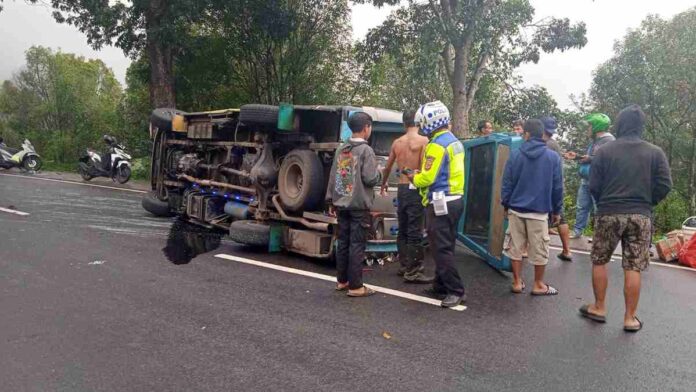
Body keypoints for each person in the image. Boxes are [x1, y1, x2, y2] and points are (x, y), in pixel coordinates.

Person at [580, 105, 671, 332]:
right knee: (633, 266)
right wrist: (647, 203)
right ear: (641, 127)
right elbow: (664, 185)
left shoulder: (605, 151)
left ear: (619, 125)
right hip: (640, 215)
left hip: (609, 211)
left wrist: (604, 202)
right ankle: (630, 318)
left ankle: (599, 308)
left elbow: (593, 185)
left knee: (600, 260)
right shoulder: (655, 152)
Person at [406, 101, 466, 308]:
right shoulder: (454, 141)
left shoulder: (436, 146)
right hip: (455, 199)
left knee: (440, 249)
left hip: (442, 202)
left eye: (422, 123)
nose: (421, 127)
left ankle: (455, 290)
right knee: (446, 245)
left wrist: (413, 176)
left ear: (430, 123)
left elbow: (427, 179)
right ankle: (440, 285)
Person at [501, 119, 563, 296]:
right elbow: (558, 187)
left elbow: (507, 183)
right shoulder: (553, 158)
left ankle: (517, 282)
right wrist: (557, 211)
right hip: (539, 211)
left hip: (516, 210)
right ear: (542, 135)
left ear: (526, 134)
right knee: (540, 249)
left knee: (515, 247)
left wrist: (505, 204)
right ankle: (538, 284)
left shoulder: (515, 155)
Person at [326, 112, 383, 298]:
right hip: (359, 206)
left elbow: (334, 176)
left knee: (343, 243)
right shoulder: (366, 151)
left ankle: (342, 281)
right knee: (357, 245)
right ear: (366, 127)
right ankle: (356, 286)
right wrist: (380, 174)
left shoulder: (342, 149)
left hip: (341, 204)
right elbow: (369, 178)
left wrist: (330, 200)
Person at [380, 110, 431, 283]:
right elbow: (426, 168)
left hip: (402, 187)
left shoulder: (397, 142)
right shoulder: (424, 141)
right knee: (415, 229)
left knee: (402, 228)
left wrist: (383, 183)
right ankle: (414, 270)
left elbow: (387, 167)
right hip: (415, 187)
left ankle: (404, 265)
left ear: (404, 123)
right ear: (418, 122)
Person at [564, 114, 615, 239]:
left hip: (599, 181)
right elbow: (591, 157)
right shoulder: (595, 141)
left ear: (597, 126)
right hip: (586, 179)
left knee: (599, 209)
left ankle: (600, 234)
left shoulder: (610, 141)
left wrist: (589, 159)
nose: (589, 129)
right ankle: (577, 231)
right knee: (582, 207)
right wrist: (577, 157)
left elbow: (608, 160)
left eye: (590, 126)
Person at [540, 116, 573, 262]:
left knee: (538, 218)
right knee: (560, 217)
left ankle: (530, 251)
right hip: (557, 186)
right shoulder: (554, 144)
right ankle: (567, 250)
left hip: (546, 187)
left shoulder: (544, 145)